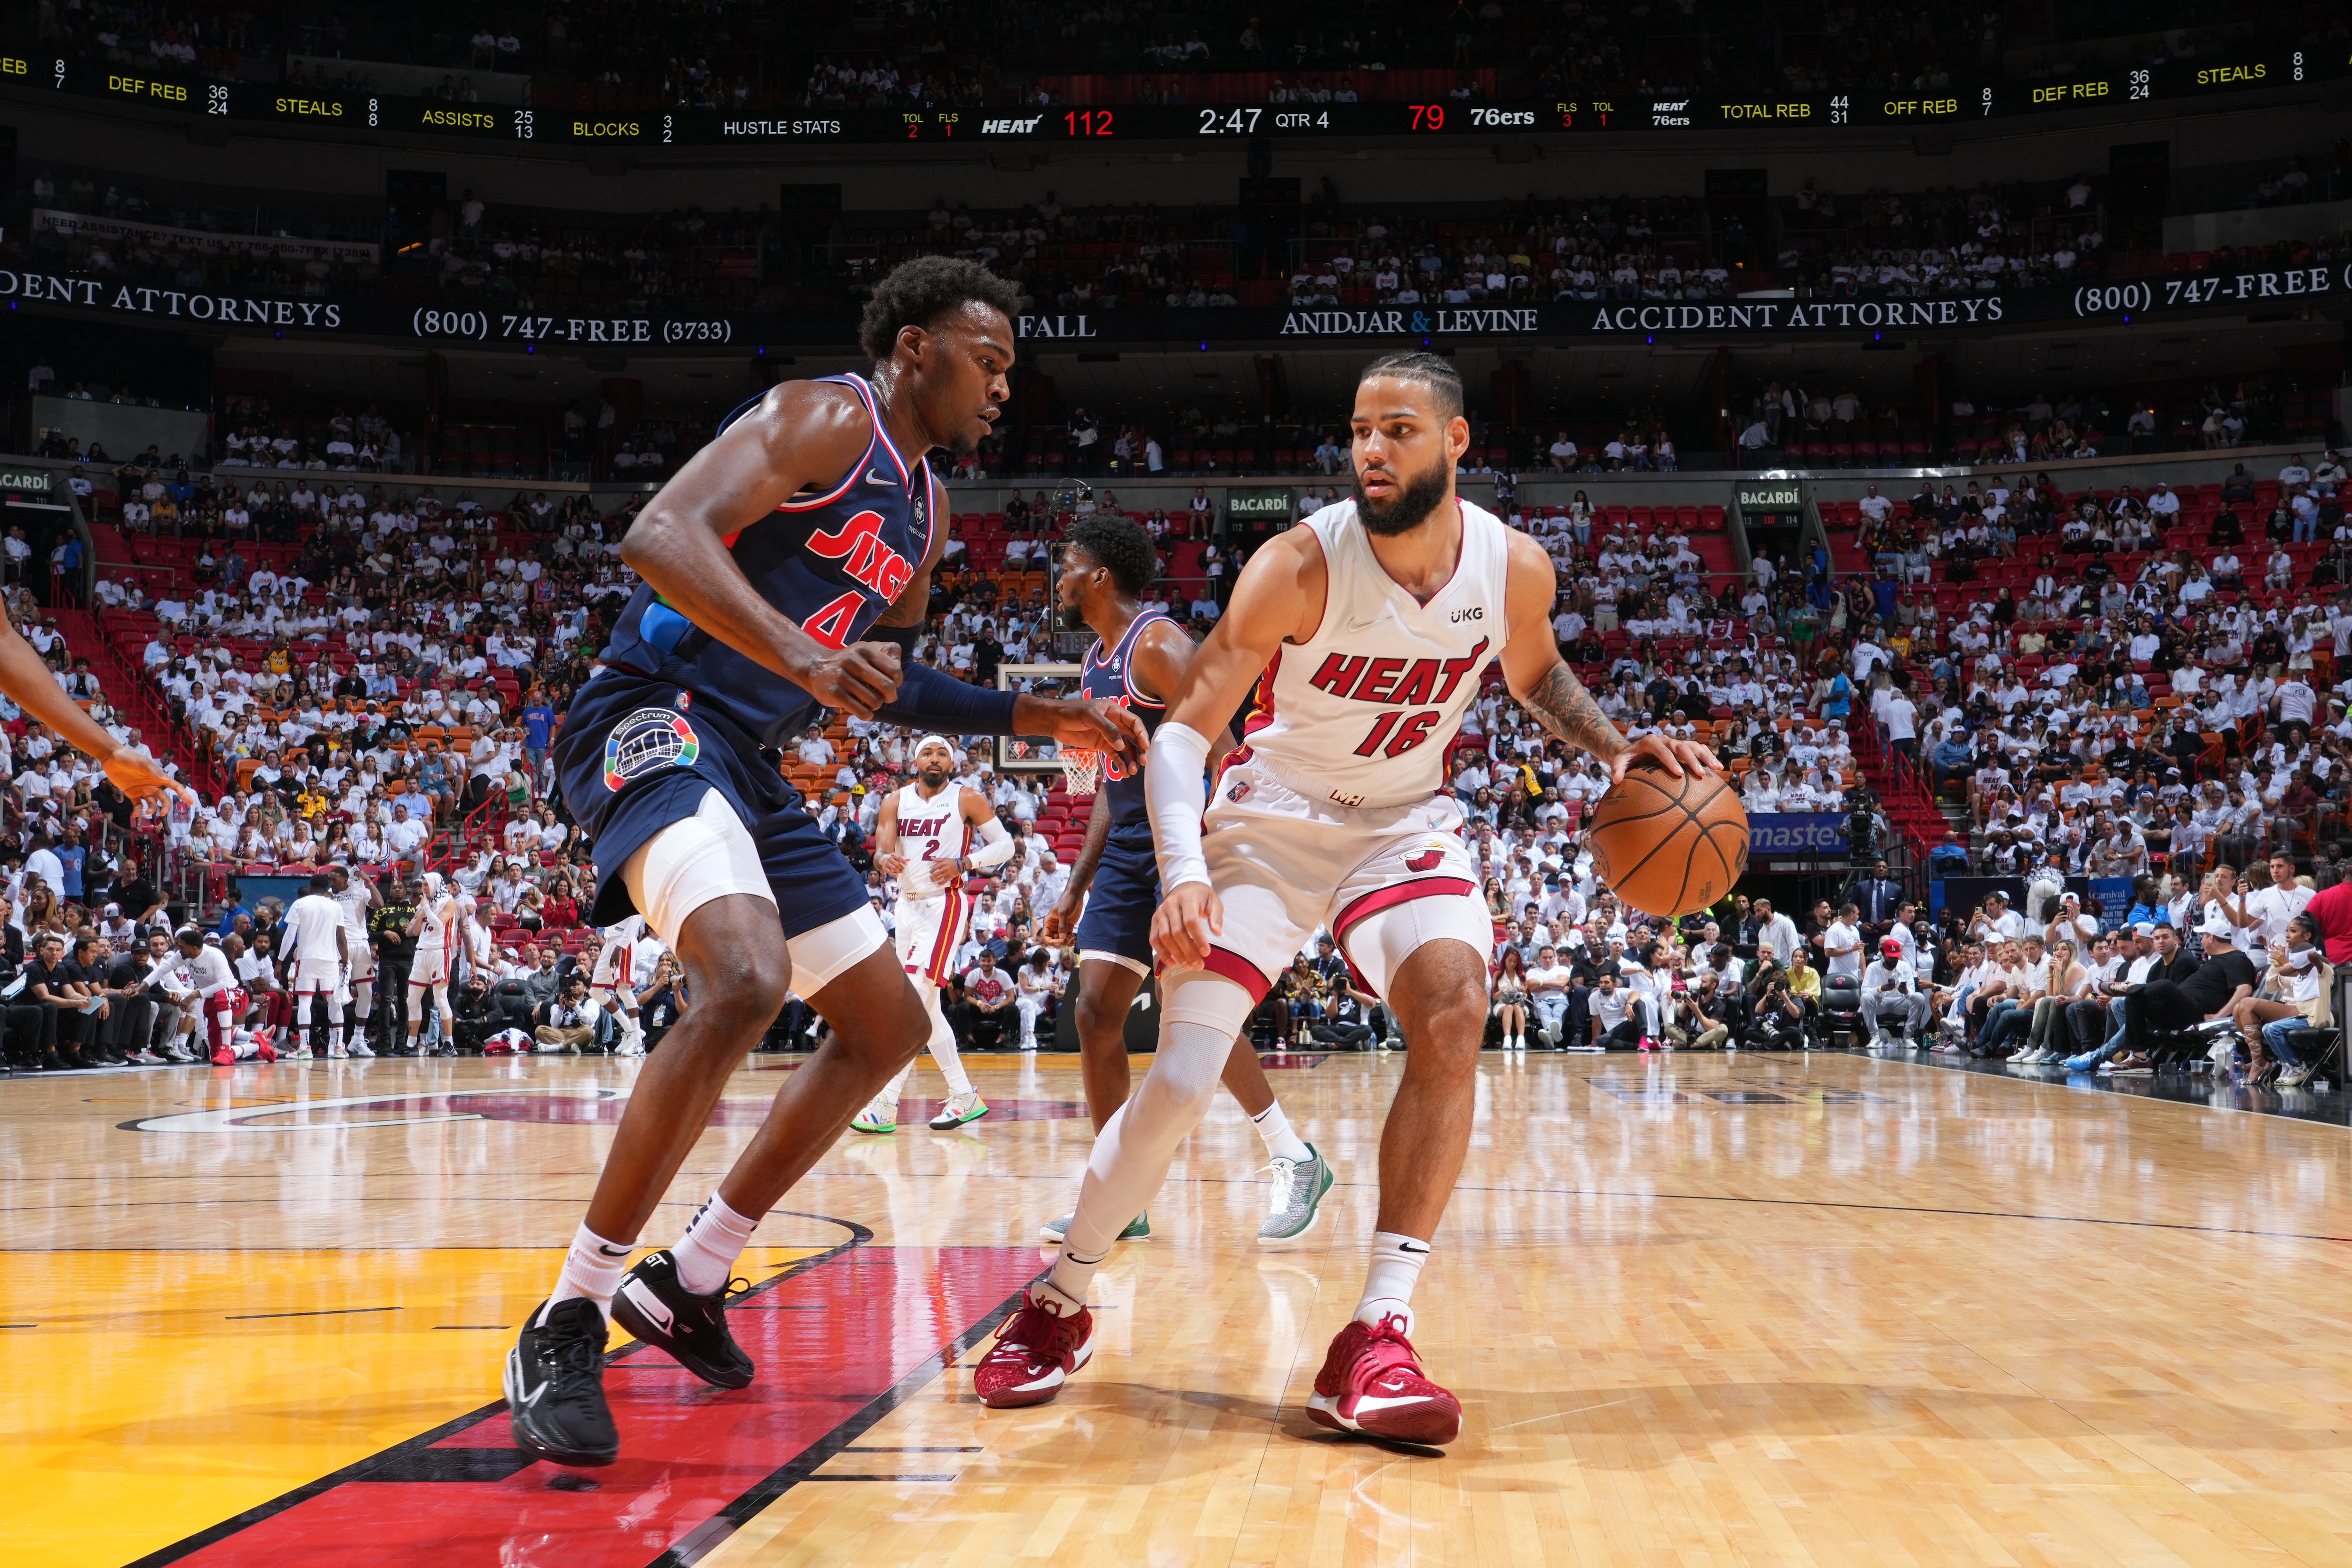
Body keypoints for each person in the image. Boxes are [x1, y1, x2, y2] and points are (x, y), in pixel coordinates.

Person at [973, 350, 1717, 1444]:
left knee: (1457, 1001)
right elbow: (1182, 738)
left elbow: (1534, 670)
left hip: (1405, 818)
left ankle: (1374, 1335)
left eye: (1400, 430)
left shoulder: (1512, 569)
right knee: (1179, 1077)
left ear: (1457, 443)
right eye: (1362, 430)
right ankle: (1062, 1297)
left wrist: (1612, 749)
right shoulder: (1296, 564)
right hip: (1273, 815)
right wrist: (1183, 873)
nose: (1372, 449)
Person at [510, 256, 1145, 1469]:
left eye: (1013, 368)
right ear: (915, 349)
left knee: (887, 1024)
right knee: (744, 978)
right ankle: (570, 1310)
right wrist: (805, 656)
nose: (1003, 386)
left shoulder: (931, 509)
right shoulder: (825, 416)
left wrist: (1037, 717)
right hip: (655, 709)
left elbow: (891, 679)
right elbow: (660, 533)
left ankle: (692, 1278)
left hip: (745, 752)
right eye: (987, 360)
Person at [1038, 511, 1328, 1245]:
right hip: (1128, 847)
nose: (1059, 578)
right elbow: (1110, 784)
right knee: (1095, 1013)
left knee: (1197, 1013)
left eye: (1069, 564)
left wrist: (1203, 855)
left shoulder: (1160, 644)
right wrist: (1076, 884)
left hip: (1184, 842)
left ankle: (1292, 1154)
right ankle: (1122, 1195)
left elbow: (1225, 743)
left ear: (1100, 574)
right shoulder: (1095, 664)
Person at [851, 734, 1003, 1132]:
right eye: (927, 753)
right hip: (906, 907)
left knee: (913, 1003)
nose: (934, 759)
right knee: (928, 1007)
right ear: (914, 761)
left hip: (944, 904)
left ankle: (885, 1103)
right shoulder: (894, 800)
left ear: (951, 765)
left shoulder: (967, 798)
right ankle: (964, 1095)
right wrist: (885, 860)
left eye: (942, 754)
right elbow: (881, 850)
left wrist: (964, 862)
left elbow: (1004, 845)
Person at [284, 872, 356, 1059]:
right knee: (335, 1002)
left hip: (307, 959)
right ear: (327, 889)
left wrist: (280, 960)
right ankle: (339, 1048)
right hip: (331, 959)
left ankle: (305, 1048)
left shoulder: (300, 904)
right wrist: (344, 961)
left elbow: (290, 936)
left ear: (309, 888)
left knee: (306, 1002)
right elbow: (341, 938)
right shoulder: (335, 906)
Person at [404, 872, 459, 1057]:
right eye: (423, 885)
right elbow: (415, 931)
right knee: (412, 999)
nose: (424, 888)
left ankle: (449, 1044)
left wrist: (426, 909)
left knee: (441, 999)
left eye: (427, 885)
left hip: (439, 952)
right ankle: (412, 1044)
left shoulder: (449, 902)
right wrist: (420, 915)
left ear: (436, 884)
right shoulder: (428, 904)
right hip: (422, 951)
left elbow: (439, 925)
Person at [330, 866, 379, 1054]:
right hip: (340, 945)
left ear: (346, 880)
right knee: (337, 992)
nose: (331, 884)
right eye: (330, 880)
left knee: (366, 991)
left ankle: (358, 1040)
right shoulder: (329, 895)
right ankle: (335, 1041)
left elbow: (379, 904)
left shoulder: (361, 890)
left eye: (335, 880)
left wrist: (369, 881)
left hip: (362, 944)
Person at [1859, 936, 1930, 1049]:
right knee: (1866, 998)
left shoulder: (1905, 966)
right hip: (1880, 1003)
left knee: (1919, 997)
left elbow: (1911, 990)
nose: (1893, 960)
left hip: (1899, 1002)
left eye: (1895, 957)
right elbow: (1865, 991)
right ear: (1883, 954)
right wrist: (1881, 989)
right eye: (1890, 957)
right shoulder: (1873, 967)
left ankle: (1908, 1036)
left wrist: (1905, 991)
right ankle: (1875, 1037)